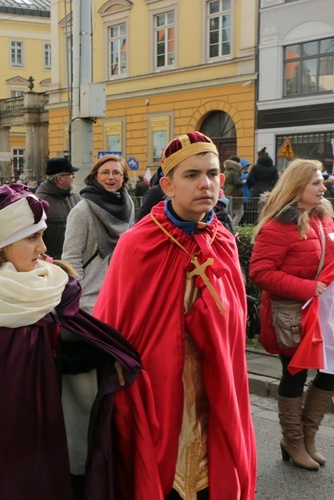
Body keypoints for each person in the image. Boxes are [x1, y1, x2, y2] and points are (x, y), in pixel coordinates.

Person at [0, 184, 141, 500]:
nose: (43, 248)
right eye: (32, 237)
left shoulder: (51, 284)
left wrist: (102, 356)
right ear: (1, 245)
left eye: (41, 235)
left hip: (41, 433)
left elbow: (65, 351)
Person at [95, 131, 257, 499]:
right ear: (167, 185)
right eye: (192, 175)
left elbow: (233, 322)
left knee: (212, 474)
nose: (206, 183)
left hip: (214, 378)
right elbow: (114, 324)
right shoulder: (138, 243)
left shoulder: (224, 240)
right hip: (159, 385)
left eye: (213, 174)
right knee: (161, 474)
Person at [249, 159, 334, 471]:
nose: (323, 187)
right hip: (291, 314)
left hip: (326, 312)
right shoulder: (278, 225)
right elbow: (260, 272)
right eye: (315, 183)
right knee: (295, 373)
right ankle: (292, 439)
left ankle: (307, 437)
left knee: (332, 370)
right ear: (297, 186)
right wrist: (306, 287)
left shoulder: (324, 217)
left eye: (321, 182)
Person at [62, 155, 134, 312]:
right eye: (105, 172)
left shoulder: (128, 206)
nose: (110, 177)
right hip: (90, 299)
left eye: (116, 173)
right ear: (95, 176)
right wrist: (78, 295)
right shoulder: (82, 210)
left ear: (123, 178)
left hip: (120, 293)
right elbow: (71, 258)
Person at [35, 157, 81, 259]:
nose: (74, 177)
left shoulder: (74, 198)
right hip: (51, 264)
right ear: (60, 178)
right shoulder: (39, 202)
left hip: (73, 261)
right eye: (71, 174)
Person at [245, 148, 279, 225]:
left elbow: (249, 179)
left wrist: (251, 187)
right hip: (268, 191)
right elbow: (277, 181)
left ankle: (252, 226)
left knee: (252, 211)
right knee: (267, 210)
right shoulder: (273, 168)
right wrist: (272, 188)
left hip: (255, 191)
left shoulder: (255, 167)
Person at [223, 157, 244, 225]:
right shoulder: (235, 171)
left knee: (229, 212)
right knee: (240, 212)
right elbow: (237, 183)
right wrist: (243, 182)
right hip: (235, 193)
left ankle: (229, 226)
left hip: (226, 192)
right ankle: (233, 226)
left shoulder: (226, 170)